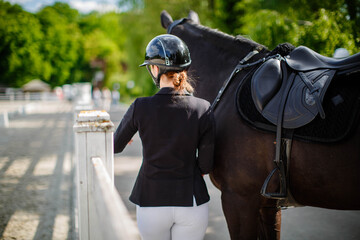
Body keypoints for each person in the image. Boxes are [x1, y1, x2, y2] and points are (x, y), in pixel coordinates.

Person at [113, 34, 215, 240]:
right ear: (184, 69)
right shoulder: (203, 108)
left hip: (151, 200)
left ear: (155, 69)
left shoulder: (139, 107)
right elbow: (206, 166)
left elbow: (114, 145)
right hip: (192, 201)